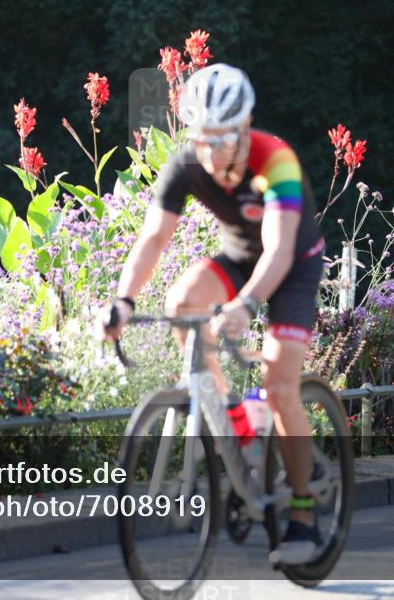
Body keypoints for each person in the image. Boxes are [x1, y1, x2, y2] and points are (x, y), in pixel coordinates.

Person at [101, 63, 327, 565]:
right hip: (238, 255)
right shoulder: (187, 163)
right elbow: (154, 237)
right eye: (200, 139)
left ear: (244, 128)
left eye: (220, 139)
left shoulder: (277, 161)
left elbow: (278, 249)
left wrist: (246, 304)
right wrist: (123, 299)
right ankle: (233, 415)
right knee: (181, 302)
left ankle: (305, 513)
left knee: (280, 382)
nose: (208, 152)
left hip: (291, 264)